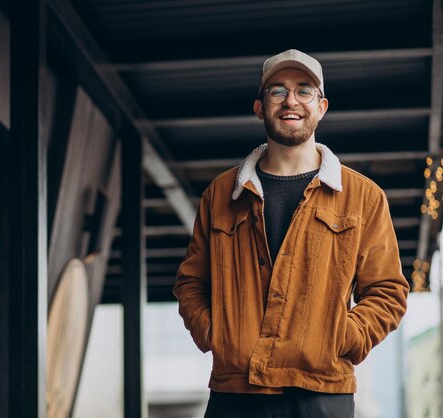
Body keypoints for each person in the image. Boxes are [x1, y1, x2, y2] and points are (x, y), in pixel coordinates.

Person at [173, 49, 409, 418]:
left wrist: (341, 337)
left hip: (322, 392)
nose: (291, 101)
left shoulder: (363, 198)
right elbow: (190, 282)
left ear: (322, 106)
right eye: (277, 91)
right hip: (236, 391)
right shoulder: (220, 194)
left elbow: (388, 291)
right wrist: (215, 333)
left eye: (304, 90)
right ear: (259, 107)